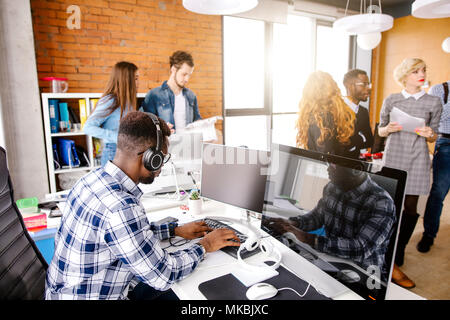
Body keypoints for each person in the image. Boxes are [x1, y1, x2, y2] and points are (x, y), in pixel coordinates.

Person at [45, 111, 240, 299]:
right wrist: (206, 245)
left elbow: (125, 235)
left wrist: (175, 230)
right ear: (150, 157)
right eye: (162, 157)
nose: (162, 165)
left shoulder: (91, 180)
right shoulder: (121, 207)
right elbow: (163, 275)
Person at [263, 165, 396, 282]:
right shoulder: (332, 187)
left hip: (362, 275)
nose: (327, 169)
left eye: (333, 165)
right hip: (330, 261)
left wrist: (306, 237)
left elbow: (360, 248)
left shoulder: (381, 202)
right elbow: (317, 217)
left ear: (355, 170)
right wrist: (291, 223)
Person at [378, 58, 442, 289]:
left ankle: (400, 248)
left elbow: (434, 134)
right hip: (394, 155)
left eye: (424, 70)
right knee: (389, 205)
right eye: (416, 71)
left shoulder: (434, 101)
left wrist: (429, 134)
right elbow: (381, 129)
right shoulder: (392, 99)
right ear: (405, 75)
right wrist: (388, 129)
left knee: (411, 207)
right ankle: (386, 249)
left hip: (417, 158)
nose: (422, 74)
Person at [83, 61, 139, 166]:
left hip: (128, 153)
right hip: (113, 153)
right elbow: (88, 127)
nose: (138, 83)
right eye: (135, 79)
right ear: (126, 80)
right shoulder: (110, 100)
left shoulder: (128, 102)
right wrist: (117, 137)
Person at [417, 80, 450, 253]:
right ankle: (429, 234)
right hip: (446, 144)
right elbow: (434, 120)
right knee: (438, 193)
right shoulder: (440, 89)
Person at [296, 71, 356, 158]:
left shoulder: (319, 118)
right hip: (338, 167)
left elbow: (323, 154)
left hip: (323, 168)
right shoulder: (339, 113)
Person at [141, 50, 201, 133]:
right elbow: (145, 127)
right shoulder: (154, 95)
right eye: (184, 74)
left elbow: (197, 121)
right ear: (173, 69)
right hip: (167, 145)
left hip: (188, 144)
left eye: (189, 75)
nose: (187, 79)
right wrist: (162, 129)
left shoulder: (191, 96)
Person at [343, 69, 374, 158]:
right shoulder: (337, 110)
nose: (369, 88)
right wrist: (360, 138)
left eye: (369, 84)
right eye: (364, 84)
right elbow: (339, 145)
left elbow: (369, 141)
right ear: (350, 86)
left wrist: (354, 139)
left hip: (355, 164)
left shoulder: (363, 111)